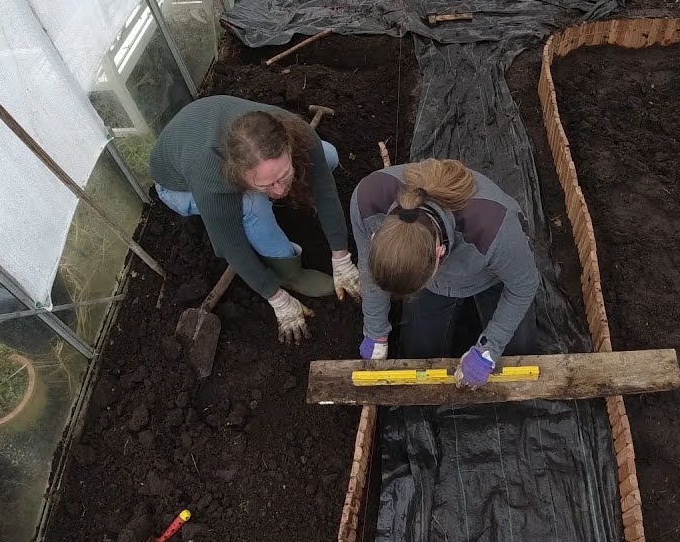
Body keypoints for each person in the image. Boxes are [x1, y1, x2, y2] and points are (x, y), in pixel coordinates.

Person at [149, 95, 361, 344]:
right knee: (253, 205)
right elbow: (230, 245)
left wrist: (341, 257)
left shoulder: (294, 128)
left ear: (288, 145)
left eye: (284, 175)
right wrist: (277, 298)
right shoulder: (212, 176)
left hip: (202, 133)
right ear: (238, 176)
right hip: (176, 186)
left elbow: (324, 189)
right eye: (268, 184)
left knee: (327, 155)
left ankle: (273, 178)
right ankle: (289, 273)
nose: (281, 191)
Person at [350, 158, 539, 387]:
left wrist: (489, 349)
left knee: (518, 356)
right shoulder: (368, 201)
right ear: (375, 236)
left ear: (439, 254)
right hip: (436, 282)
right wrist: (375, 331)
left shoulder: (494, 228)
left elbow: (523, 286)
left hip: (491, 276)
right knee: (418, 355)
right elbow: (369, 272)